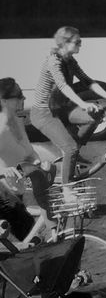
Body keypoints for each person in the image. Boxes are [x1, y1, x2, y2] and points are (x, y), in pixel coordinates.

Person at [27, 26, 106, 201]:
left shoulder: (69, 60)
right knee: (70, 147)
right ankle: (67, 189)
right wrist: (83, 104)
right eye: (77, 41)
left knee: (96, 116)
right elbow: (63, 86)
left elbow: (88, 81)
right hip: (44, 113)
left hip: (61, 109)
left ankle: (72, 154)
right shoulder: (53, 61)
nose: (81, 44)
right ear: (64, 43)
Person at [0, 78, 53, 242]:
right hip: (3, 195)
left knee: (32, 240)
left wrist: (40, 163)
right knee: (33, 240)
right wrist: (1, 171)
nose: (23, 99)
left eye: (23, 95)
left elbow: (28, 152)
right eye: (18, 95)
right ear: (3, 100)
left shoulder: (17, 121)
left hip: (16, 192)